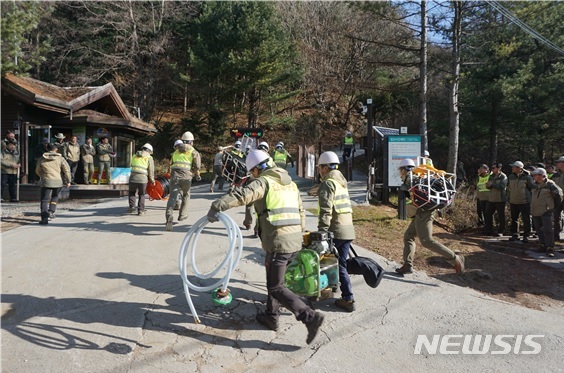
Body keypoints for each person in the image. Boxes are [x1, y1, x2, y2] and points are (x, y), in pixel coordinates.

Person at [206, 150, 324, 344]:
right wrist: (298, 235)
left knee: (276, 287)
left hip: (279, 241)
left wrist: (217, 205)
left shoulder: (263, 182)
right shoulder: (290, 184)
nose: (251, 175)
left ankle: (309, 317)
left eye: (251, 171)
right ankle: (271, 316)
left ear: (257, 168)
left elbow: (243, 195)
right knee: (275, 279)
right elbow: (301, 212)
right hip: (293, 240)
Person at [395, 158, 464, 275]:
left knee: (427, 241)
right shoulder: (419, 175)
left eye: (400, 171)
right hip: (422, 211)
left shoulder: (410, 179)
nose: (400, 174)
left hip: (424, 212)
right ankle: (407, 265)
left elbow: (412, 195)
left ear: (403, 170)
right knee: (408, 236)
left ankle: (454, 259)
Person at [317, 151, 356, 312]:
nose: (319, 170)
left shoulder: (328, 183)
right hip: (348, 229)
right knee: (337, 262)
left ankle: (348, 298)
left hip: (336, 229)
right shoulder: (341, 183)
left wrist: (322, 232)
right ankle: (332, 290)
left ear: (325, 168)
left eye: (320, 167)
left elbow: (326, 211)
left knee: (335, 263)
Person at [165, 131, 201, 231]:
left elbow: (172, 164)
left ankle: (169, 215)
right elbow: (197, 166)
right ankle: (182, 215)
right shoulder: (194, 152)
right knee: (186, 195)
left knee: (172, 197)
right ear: (191, 142)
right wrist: (197, 175)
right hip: (186, 177)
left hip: (175, 177)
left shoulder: (175, 152)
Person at [530, 168, 563, 257]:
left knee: (548, 230)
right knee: (538, 228)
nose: (534, 176)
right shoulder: (534, 185)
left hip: (546, 210)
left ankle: (550, 248)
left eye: (535, 174)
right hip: (536, 210)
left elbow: (559, 196)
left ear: (542, 176)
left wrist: (554, 207)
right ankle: (542, 245)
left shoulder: (550, 185)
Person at [35, 143, 71, 225]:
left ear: (47, 149)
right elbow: (66, 170)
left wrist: (43, 175)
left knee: (44, 200)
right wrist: (68, 181)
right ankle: (51, 211)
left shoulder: (41, 159)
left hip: (46, 181)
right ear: (56, 149)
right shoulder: (60, 159)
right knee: (55, 196)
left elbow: (37, 170)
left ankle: (44, 218)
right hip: (58, 181)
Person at [507, 161, 534, 242]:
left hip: (525, 202)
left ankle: (527, 235)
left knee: (526, 219)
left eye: (513, 167)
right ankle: (515, 234)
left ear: (519, 168)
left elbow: (532, 188)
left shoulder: (527, 177)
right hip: (513, 201)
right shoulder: (511, 176)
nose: (512, 168)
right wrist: (509, 197)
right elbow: (508, 188)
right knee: (514, 219)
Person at [128, 143, 155, 215]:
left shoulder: (134, 155)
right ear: (149, 151)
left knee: (132, 192)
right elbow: (151, 170)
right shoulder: (149, 158)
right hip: (143, 179)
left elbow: (131, 165)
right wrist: (152, 180)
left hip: (133, 177)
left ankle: (132, 207)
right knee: (141, 194)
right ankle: (141, 210)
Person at [484, 162, 507, 237]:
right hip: (491, 198)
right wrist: (488, 186)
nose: (492, 169)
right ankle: (489, 230)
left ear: (499, 168)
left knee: (501, 216)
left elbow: (502, 187)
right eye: (492, 168)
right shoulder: (491, 176)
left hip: (500, 199)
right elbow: (489, 185)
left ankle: (501, 231)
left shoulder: (503, 176)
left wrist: (492, 185)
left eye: (494, 168)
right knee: (488, 214)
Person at [550, 156, 564, 242]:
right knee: (556, 217)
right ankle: (556, 235)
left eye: (559, 162)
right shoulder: (554, 175)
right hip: (557, 199)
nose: (557, 164)